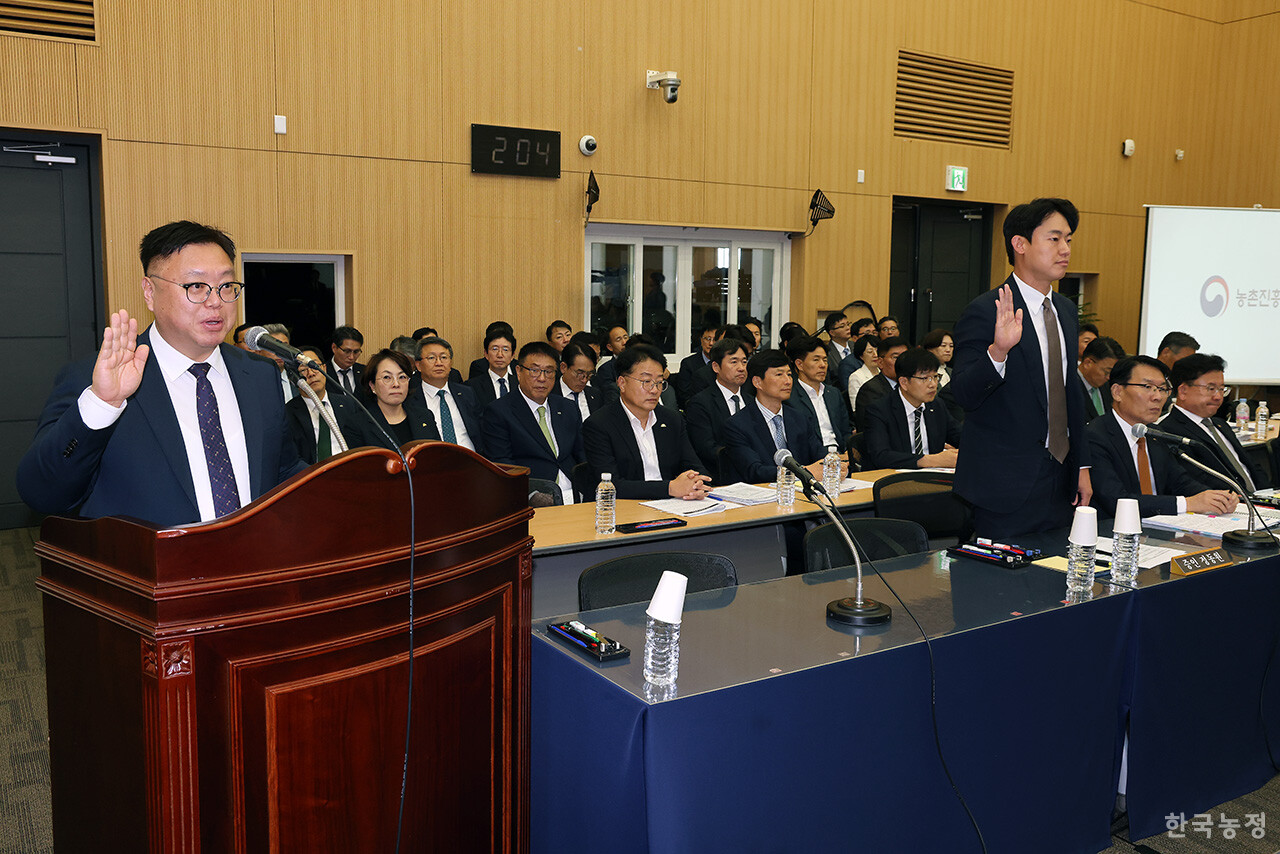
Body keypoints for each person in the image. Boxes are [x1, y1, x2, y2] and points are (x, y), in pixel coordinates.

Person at [17, 220, 305, 526]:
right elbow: (41, 494)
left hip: (252, 567)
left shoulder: (259, 374)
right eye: (196, 286)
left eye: (226, 286)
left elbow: (281, 471)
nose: (215, 301)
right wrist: (103, 404)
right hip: (146, 570)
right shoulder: (96, 380)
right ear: (149, 292)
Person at [950, 198, 1092, 538]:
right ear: (1020, 244)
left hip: (1060, 480)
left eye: (1068, 240)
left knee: (1054, 582)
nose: (1065, 249)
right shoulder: (987, 310)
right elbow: (963, 394)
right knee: (999, 589)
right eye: (1054, 238)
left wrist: (1082, 465)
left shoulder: (1066, 312)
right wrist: (998, 351)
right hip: (1004, 486)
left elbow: (1069, 390)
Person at [1087, 355, 1234, 517]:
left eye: (1163, 389)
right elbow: (1116, 500)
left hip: (1160, 529)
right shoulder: (1095, 436)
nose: (1157, 397)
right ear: (1117, 392)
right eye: (1147, 387)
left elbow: (1180, 481)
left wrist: (1217, 498)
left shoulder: (1154, 433)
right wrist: (1188, 503)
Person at [582, 344, 710, 500]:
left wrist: (696, 483)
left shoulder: (671, 419)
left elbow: (695, 466)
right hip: (623, 509)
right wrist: (669, 488)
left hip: (672, 505)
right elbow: (612, 485)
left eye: (659, 382)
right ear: (622, 383)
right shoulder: (599, 425)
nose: (654, 390)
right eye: (646, 381)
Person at [483, 342, 584, 503]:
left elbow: (582, 454)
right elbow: (503, 465)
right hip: (536, 496)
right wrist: (531, 495)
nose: (542, 378)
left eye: (549, 371)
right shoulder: (499, 412)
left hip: (577, 493)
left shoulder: (567, 407)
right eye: (535, 371)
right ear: (519, 371)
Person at [1163, 353, 1265, 494]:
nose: (1218, 397)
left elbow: (1251, 467)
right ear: (1183, 391)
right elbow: (1199, 481)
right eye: (1211, 389)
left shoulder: (1219, 424)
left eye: (1222, 389)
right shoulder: (1169, 431)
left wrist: (1269, 495)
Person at [723, 349, 827, 484]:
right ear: (757, 382)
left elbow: (819, 455)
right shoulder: (737, 425)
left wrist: (832, 465)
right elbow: (754, 471)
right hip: (762, 497)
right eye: (779, 374)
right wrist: (803, 472)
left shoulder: (799, 418)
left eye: (789, 375)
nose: (788, 381)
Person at [862, 348, 961, 470]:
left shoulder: (936, 406)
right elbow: (881, 456)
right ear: (904, 382)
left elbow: (960, 437)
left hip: (933, 478)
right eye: (925, 378)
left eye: (935, 377)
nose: (933, 384)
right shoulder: (879, 410)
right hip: (894, 480)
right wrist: (931, 460)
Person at [685, 336, 751, 481]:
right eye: (734, 362)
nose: (741, 368)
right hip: (721, 478)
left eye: (744, 362)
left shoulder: (752, 401)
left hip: (756, 476)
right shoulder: (700, 403)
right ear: (716, 367)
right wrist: (746, 458)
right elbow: (706, 448)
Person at [353, 349, 440, 450]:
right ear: (372, 386)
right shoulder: (357, 424)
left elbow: (438, 457)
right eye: (387, 377)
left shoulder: (425, 416)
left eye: (402, 377)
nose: (396, 384)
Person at [286, 347, 358, 464]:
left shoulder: (348, 404)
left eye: (314, 365)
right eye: (303, 369)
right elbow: (292, 459)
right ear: (293, 378)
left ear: (324, 368)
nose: (311, 373)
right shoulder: (289, 413)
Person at [785, 335, 852, 455]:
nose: (823, 365)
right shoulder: (789, 396)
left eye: (825, 360)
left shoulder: (833, 393)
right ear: (799, 364)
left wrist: (848, 452)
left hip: (840, 455)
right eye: (816, 360)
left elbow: (845, 431)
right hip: (812, 457)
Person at [415, 336, 483, 454]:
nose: (439, 363)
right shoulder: (411, 401)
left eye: (444, 357)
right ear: (418, 365)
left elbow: (482, 431)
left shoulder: (467, 393)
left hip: (473, 461)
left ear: (451, 363)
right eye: (431, 358)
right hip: (434, 465)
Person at [854, 336, 908, 432]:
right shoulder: (870, 390)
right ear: (880, 362)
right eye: (896, 357)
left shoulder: (912, 386)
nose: (902, 362)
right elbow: (871, 430)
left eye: (905, 356)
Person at [550, 341, 605, 422]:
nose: (584, 380)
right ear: (563, 367)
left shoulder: (595, 395)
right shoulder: (549, 394)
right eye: (580, 373)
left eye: (589, 374)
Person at [1075, 336, 1125, 423]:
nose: (1109, 377)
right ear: (1088, 363)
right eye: (1106, 371)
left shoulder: (1108, 387)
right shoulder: (1067, 387)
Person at [467, 326, 517, 409]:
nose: (500, 355)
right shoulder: (471, 387)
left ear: (512, 356)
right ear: (486, 354)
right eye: (495, 349)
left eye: (505, 349)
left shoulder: (521, 384)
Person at [675, 322, 719, 408]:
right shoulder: (688, 364)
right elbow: (684, 396)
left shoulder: (722, 363)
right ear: (701, 340)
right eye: (708, 339)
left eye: (715, 340)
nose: (711, 343)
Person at [846, 334, 880, 417]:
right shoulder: (856, 377)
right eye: (869, 352)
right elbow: (856, 409)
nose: (875, 355)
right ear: (861, 356)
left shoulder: (884, 373)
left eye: (877, 350)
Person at [593, 325, 630, 399]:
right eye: (618, 339)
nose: (624, 342)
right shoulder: (605, 369)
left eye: (626, 337)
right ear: (610, 347)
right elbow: (611, 395)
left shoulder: (639, 364)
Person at [328, 325, 365, 394]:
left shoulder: (365, 372)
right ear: (334, 348)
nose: (351, 357)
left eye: (356, 352)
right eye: (347, 351)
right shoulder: (323, 373)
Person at [822, 312, 854, 378]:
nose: (848, 328)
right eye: (842, 326)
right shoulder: (826, 352)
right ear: (832, 333)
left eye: (848, 324)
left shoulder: (856, 346)